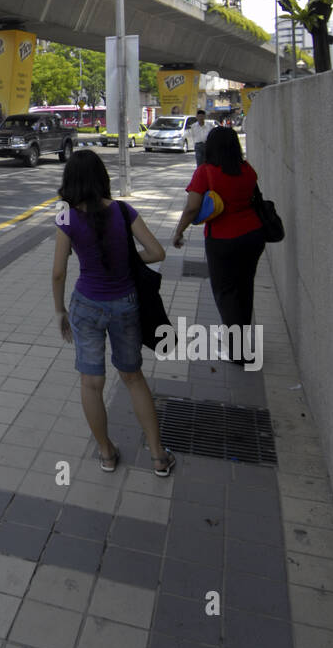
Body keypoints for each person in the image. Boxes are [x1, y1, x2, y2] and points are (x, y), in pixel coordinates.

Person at [52, 150, 175, 476]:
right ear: (102, 177)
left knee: (91, 383)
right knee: (133, 378)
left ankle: (107, 454)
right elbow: (157, 252)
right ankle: (159, 457)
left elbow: (58, 272)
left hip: (86, 306)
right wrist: (128, 261)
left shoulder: (66, 216)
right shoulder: (123, 210)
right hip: (125, 304)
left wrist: (59, 310)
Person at [172, 127, 265, 364]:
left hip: (223, 239)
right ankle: (243, 345)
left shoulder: (206, 172)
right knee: (244, 290)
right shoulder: (247, 169)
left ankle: (238, 352)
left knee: (226, 293)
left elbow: (192, 207)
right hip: (253, 236)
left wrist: (178, 231)